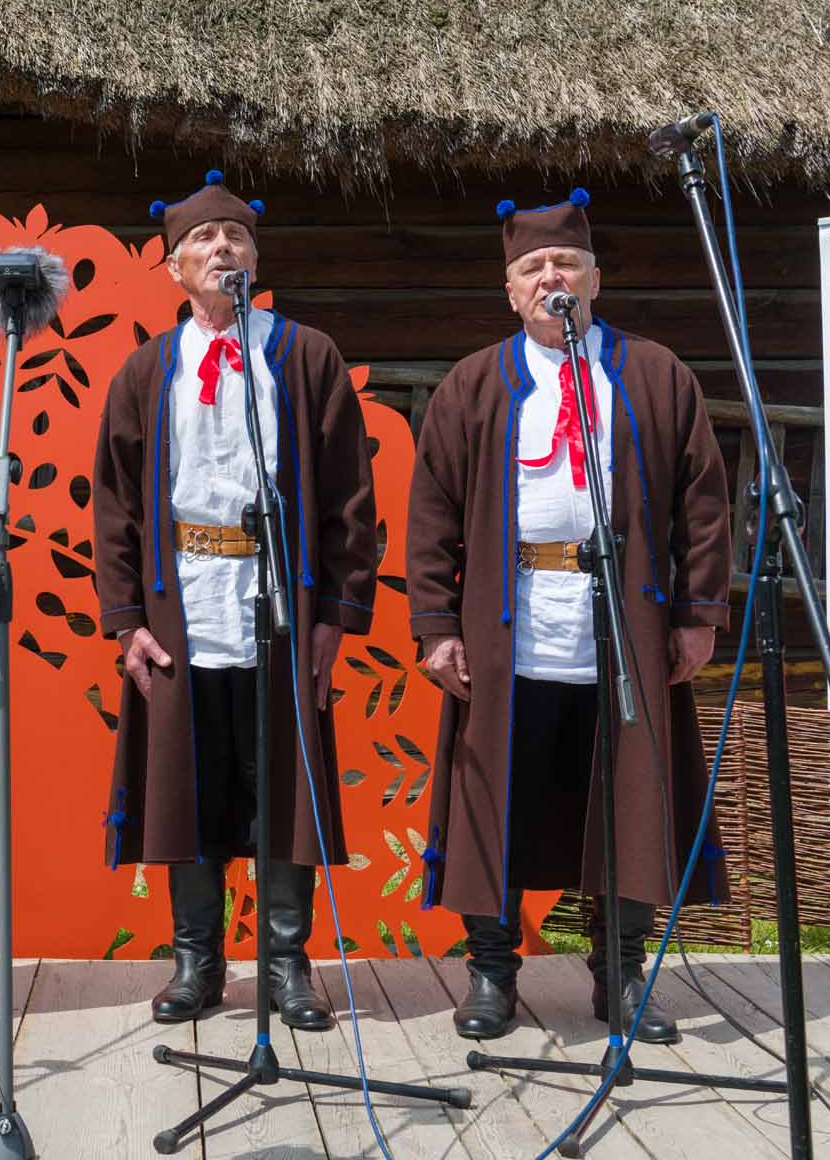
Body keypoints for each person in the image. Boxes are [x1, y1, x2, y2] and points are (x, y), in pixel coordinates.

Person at [408, 188, 732, 1044]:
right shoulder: (475, 384)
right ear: (511, 291)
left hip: (623, 630)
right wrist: (437, 624)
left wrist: (698, 615)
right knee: (495, 806)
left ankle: (619, 975)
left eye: (567, 263)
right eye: (533, 267)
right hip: (509, 630)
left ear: (595, 280)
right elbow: (432, 511)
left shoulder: (656, 374)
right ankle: (491, 973)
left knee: (626, 806)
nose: (551, 276)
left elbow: (703, 504)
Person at [91, 171, 379, 1031]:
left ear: (257, 256)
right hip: (182, 607)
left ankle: (288, 964)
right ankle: (198, 961)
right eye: (205, 240)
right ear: (174, 268)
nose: (224, 249)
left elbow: (349, 498)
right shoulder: (147, 370)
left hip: (277, 603)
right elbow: (114, 506)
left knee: (282, 786)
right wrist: (127, 622)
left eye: (238, 237)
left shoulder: (306, 355)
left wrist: (334, 616)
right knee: (190, 785)